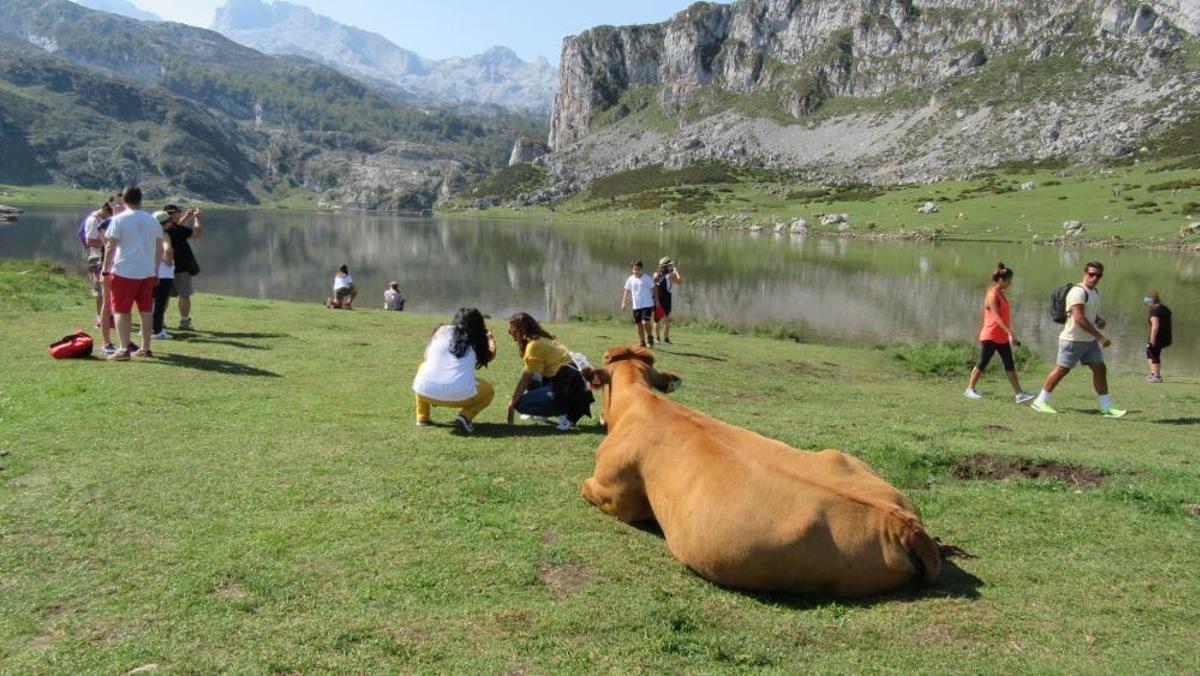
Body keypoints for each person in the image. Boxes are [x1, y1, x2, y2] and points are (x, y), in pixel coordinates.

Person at [1031, 261, 1126, 417]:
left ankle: (1106, 407)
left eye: (1098, 275)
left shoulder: (1094, 291)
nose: (1094, 277)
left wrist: (1098, 320)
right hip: (1073, 339)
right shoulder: (1078, 292)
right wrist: (1100, 336)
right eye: (1091, 274)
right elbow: (1079, 318)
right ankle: (1040, 401)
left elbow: (1089, 314)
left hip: (1088, 341)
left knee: (1100, 368)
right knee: (1062, 370)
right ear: (1085, 273)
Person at [101, 186, 163, 361]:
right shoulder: (153, 221)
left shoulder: (119, 219)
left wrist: (105, 271)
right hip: (148, 271)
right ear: (141, 200)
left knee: (121, 309)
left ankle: (123, 348)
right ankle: (146, 347)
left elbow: (110, 246)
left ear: (124, 200)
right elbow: (159, 249)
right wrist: (156, 270)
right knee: (146, 310)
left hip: (124, 271)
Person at [412, 308, 497, 434]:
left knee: (423, 368)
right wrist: (490, 340)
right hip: (459, 395)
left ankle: (422, 416)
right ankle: (465, 416)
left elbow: (426, 357)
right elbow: (489, 355)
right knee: (489, 391)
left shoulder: (441, 330)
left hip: (425, 391)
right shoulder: (476, 339)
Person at [504, 312, 594, 431]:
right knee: (530, 372)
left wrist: (512, 403)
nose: (509, 332)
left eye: (512, 330)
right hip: (568, 382)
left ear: (521, 330)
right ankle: (542, 413)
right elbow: (530, 373)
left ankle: (565, 418)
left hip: (570, 388)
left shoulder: (534, 345)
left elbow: (526, 378)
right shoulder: (540, 338)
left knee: (520, 404)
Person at [964, 263, 1035, 403]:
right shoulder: (992, 294)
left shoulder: (999, 293)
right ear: (1002, 280)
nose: (1010, 283)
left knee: (1009, 363)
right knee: (983, 361)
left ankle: (1019, 394)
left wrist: (1007, 334)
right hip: (990, 335)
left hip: (1000, 336)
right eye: (1009, 280)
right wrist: (1010, 333)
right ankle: (969, 389)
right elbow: (996, 317)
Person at [161, 204, 202, 331]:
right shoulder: (176, 230)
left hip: (164, 268)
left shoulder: (160, 227)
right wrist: (197, 219)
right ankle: (184, 321)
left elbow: (176, 225)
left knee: (164, 295)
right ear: (172, 214)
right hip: (181, 267)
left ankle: (160, 319)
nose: (181, 214)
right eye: (179, 212)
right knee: (184, 294)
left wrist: (186, 217)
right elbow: (197, 234)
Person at [150, 211, 176, 340]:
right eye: (168, 221)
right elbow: (168, 250)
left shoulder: (148, 234)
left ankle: (148, 328)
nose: (171, 224)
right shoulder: (164, 235)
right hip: (164, 274)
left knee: (150, 303)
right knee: (160, 304)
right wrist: (169, 261)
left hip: (149, 272)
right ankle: (157, 331)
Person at [620, 260, 656, 348]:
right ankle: (642, 342)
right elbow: (627, 291)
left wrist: (656, 300)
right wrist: (624, 302)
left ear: (642, 269)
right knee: (638, 323)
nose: (637, 271)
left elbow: (654, 289)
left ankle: (650, 336)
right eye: (635, 269)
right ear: (632, 270)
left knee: (645, 322)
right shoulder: (630, 279)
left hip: (647, 304)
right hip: (636, 305)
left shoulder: (647, 278)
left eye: (638, 269)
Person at [1144, 291, 1173, 383]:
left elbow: (1155, 325)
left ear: (1151, 301)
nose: (1146, 304)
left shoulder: (1154, 311)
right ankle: (1153, 374)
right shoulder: (1165, 308)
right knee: (1149, 352)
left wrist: (1152, 338)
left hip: (1158, 336)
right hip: (1166, 335)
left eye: (1147, 302)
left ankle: (1157, 376)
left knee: (1154, 353)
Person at [652, 257, 682, 344]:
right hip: (666, 298)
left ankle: (656, 339)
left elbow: (653, 285)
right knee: (666, 320)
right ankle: (666, 339)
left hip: (657, 298)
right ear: (666, 266)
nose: (671, 266)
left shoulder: (655, 274)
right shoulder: (670, 275)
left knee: (656, 320)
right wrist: (676, 272)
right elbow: (679, 281)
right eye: (670, 265)